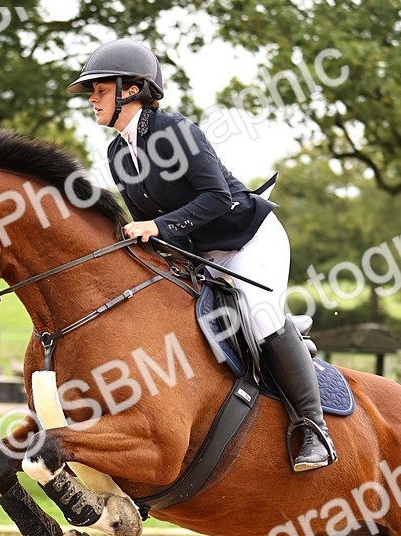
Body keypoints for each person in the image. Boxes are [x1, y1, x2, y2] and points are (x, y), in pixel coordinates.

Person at [66, 38, 337, 472]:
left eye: (99, 88)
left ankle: (314, 428)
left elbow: (215, 198)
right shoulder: (118, 154)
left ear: (132, 89)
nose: (91, 98)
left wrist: (158, 227)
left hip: (248, 238)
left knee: (261, 316)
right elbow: (145, 228)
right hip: (199, 253)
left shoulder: (175, 131)